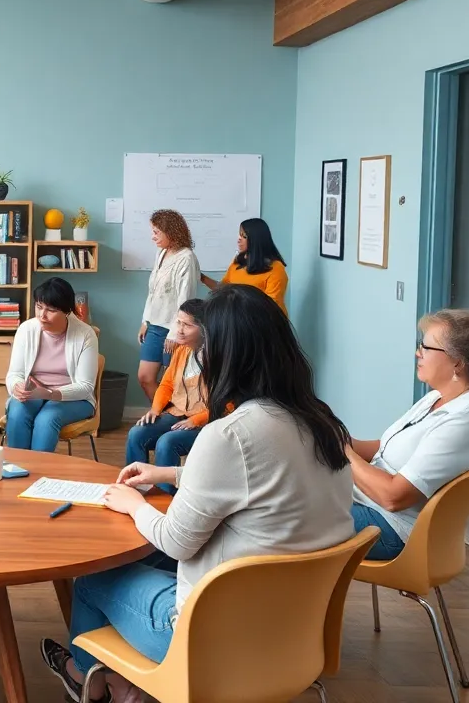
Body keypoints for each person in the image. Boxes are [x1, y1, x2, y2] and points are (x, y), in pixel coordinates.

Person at [40, 285, 354, 703]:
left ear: (225, 357)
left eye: (205, 347)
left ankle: (90, 681)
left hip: (211, 640)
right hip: (297, 631)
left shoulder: (229, 434)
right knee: (141, 557)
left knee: (95, 579)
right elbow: (262, 481)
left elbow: (176, 540)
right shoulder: (321, 422)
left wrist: (135, 505)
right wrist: (171, 472)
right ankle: (124, 682)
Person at [348, 309, 469, 561]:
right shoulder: (440, 397)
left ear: (457, 361)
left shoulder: (467, 419)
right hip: (370, 504)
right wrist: (334, 437)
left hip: (390, 528)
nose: (418, 353)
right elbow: (388, 449)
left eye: (426, 347)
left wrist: (344, 453)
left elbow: (393, 498)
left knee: (286, 515)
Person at [4, 277, 100, 454]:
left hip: (74, 399)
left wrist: (51, 394)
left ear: (67, 311)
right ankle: (16, 466)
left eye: (51, 310)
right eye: (39, 307)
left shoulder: (86, 334)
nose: (42, 315)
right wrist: (17, 386)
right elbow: (14, 374)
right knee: (17, 411)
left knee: (47, 418)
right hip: (34, 394)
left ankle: (38, 469)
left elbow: (86, 386)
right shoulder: (26, 330)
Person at [124, 299, 209, 487]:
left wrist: (196, 420)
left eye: (187, 325)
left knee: (167, 442)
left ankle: (166, 497)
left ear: (204, 328)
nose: (179, 330)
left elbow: (227, 403)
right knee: (137, 433)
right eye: (178, 322)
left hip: (206, 421)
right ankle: (135, 488)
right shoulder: (181, 350)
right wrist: (155, 409)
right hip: (177, 413)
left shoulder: (219, 356)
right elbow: (167, 384)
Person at [137, 210, 200, 404]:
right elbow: (153, 292)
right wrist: (145, 321)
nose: (153, 236)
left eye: (156, 232)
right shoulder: (161, 253)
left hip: (174, 329)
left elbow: (185, 300)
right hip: (155, 326)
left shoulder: (186, 258)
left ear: (170, 232)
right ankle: (165, 414)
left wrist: (175, 333)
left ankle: (174, 417)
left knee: (172, 383)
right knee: (145, 377)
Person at [200, 218, 289, 314]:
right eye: (240, 234)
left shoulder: (276, 268)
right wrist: (202, 277)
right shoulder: (237, 262)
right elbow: (223, 288)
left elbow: (271, 305)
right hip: (240, 318)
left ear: (256, 240)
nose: (239, 239)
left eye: (244, 236)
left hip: (265, 320)